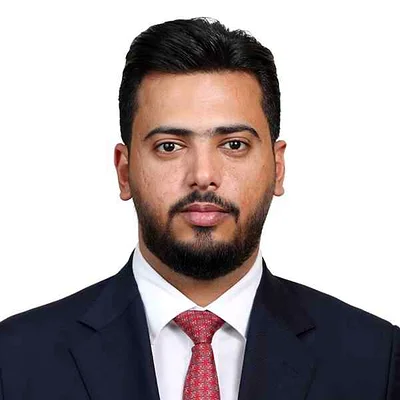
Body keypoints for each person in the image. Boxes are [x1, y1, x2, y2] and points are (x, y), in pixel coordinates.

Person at [0, 17, 398, 400]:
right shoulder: (15, 359)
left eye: (234, 145)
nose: (203, 176)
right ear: (124, 171)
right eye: (169, 146)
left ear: (277, 168)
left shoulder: (378, 360)